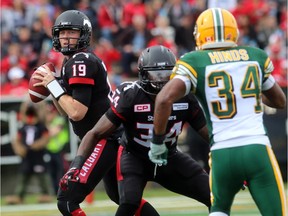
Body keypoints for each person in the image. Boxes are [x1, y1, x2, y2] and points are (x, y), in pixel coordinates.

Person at [150, 8, 287, 216]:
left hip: (222, 152)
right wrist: (249, 94)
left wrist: (158, 142)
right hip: (257, 149)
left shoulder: (194, 61)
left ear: (201, 34)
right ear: (234, 32)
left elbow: (163, 99)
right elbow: (279, 101)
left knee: (219, 210)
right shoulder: (255, 56)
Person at [32, 10, 158, 216]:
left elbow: (77, 112)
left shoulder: (81, 61)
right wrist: (54, 88)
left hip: (104, 137)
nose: (65, 37)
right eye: (62, 33)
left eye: (71, 32)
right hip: (105, 136)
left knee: (67, 200)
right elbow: (65, 112)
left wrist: (54, 86)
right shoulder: (73, 61)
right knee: (122, 197)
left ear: (84, 35)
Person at [59, 45, 211, 216]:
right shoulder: (131, 95)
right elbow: (95, 133)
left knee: (213, 195)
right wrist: (77, 165)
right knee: (129, 203)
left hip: (168, 156)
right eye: (155, 74)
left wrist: (227, 164)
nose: (160, 81)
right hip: (135, 158)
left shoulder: (185, 97)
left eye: (165, 74)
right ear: (143, 74)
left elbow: (208, 134)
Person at [6, 100, 52, 204]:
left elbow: (46, 138)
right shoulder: (23, 127)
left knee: (42, 175)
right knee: (23, 175)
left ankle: (46, 194)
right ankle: (19, 196)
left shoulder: (41, 126)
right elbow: (17, 140)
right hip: (26, 155)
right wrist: (18, 148)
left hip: (38, 155)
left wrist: (39, 144)